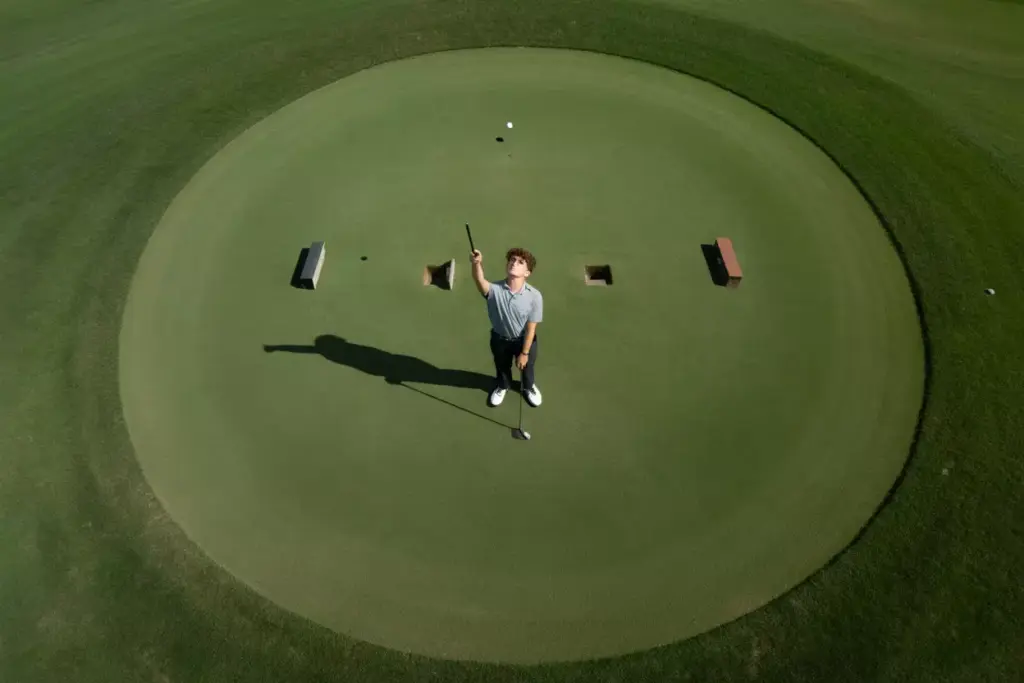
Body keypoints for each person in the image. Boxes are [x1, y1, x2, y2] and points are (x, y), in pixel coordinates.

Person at [470, 247, 543, 407]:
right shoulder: (494, 290)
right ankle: (503, 386)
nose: (514, 263)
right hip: (500, 339)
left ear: (527, 272)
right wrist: (477, 264)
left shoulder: (534, 296)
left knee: (527, 368)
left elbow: (531, 328)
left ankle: (528, 388)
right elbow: (480, 281)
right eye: (512, 260)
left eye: (520, 262)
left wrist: (524, 353)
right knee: (502, 366)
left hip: (524, 341)